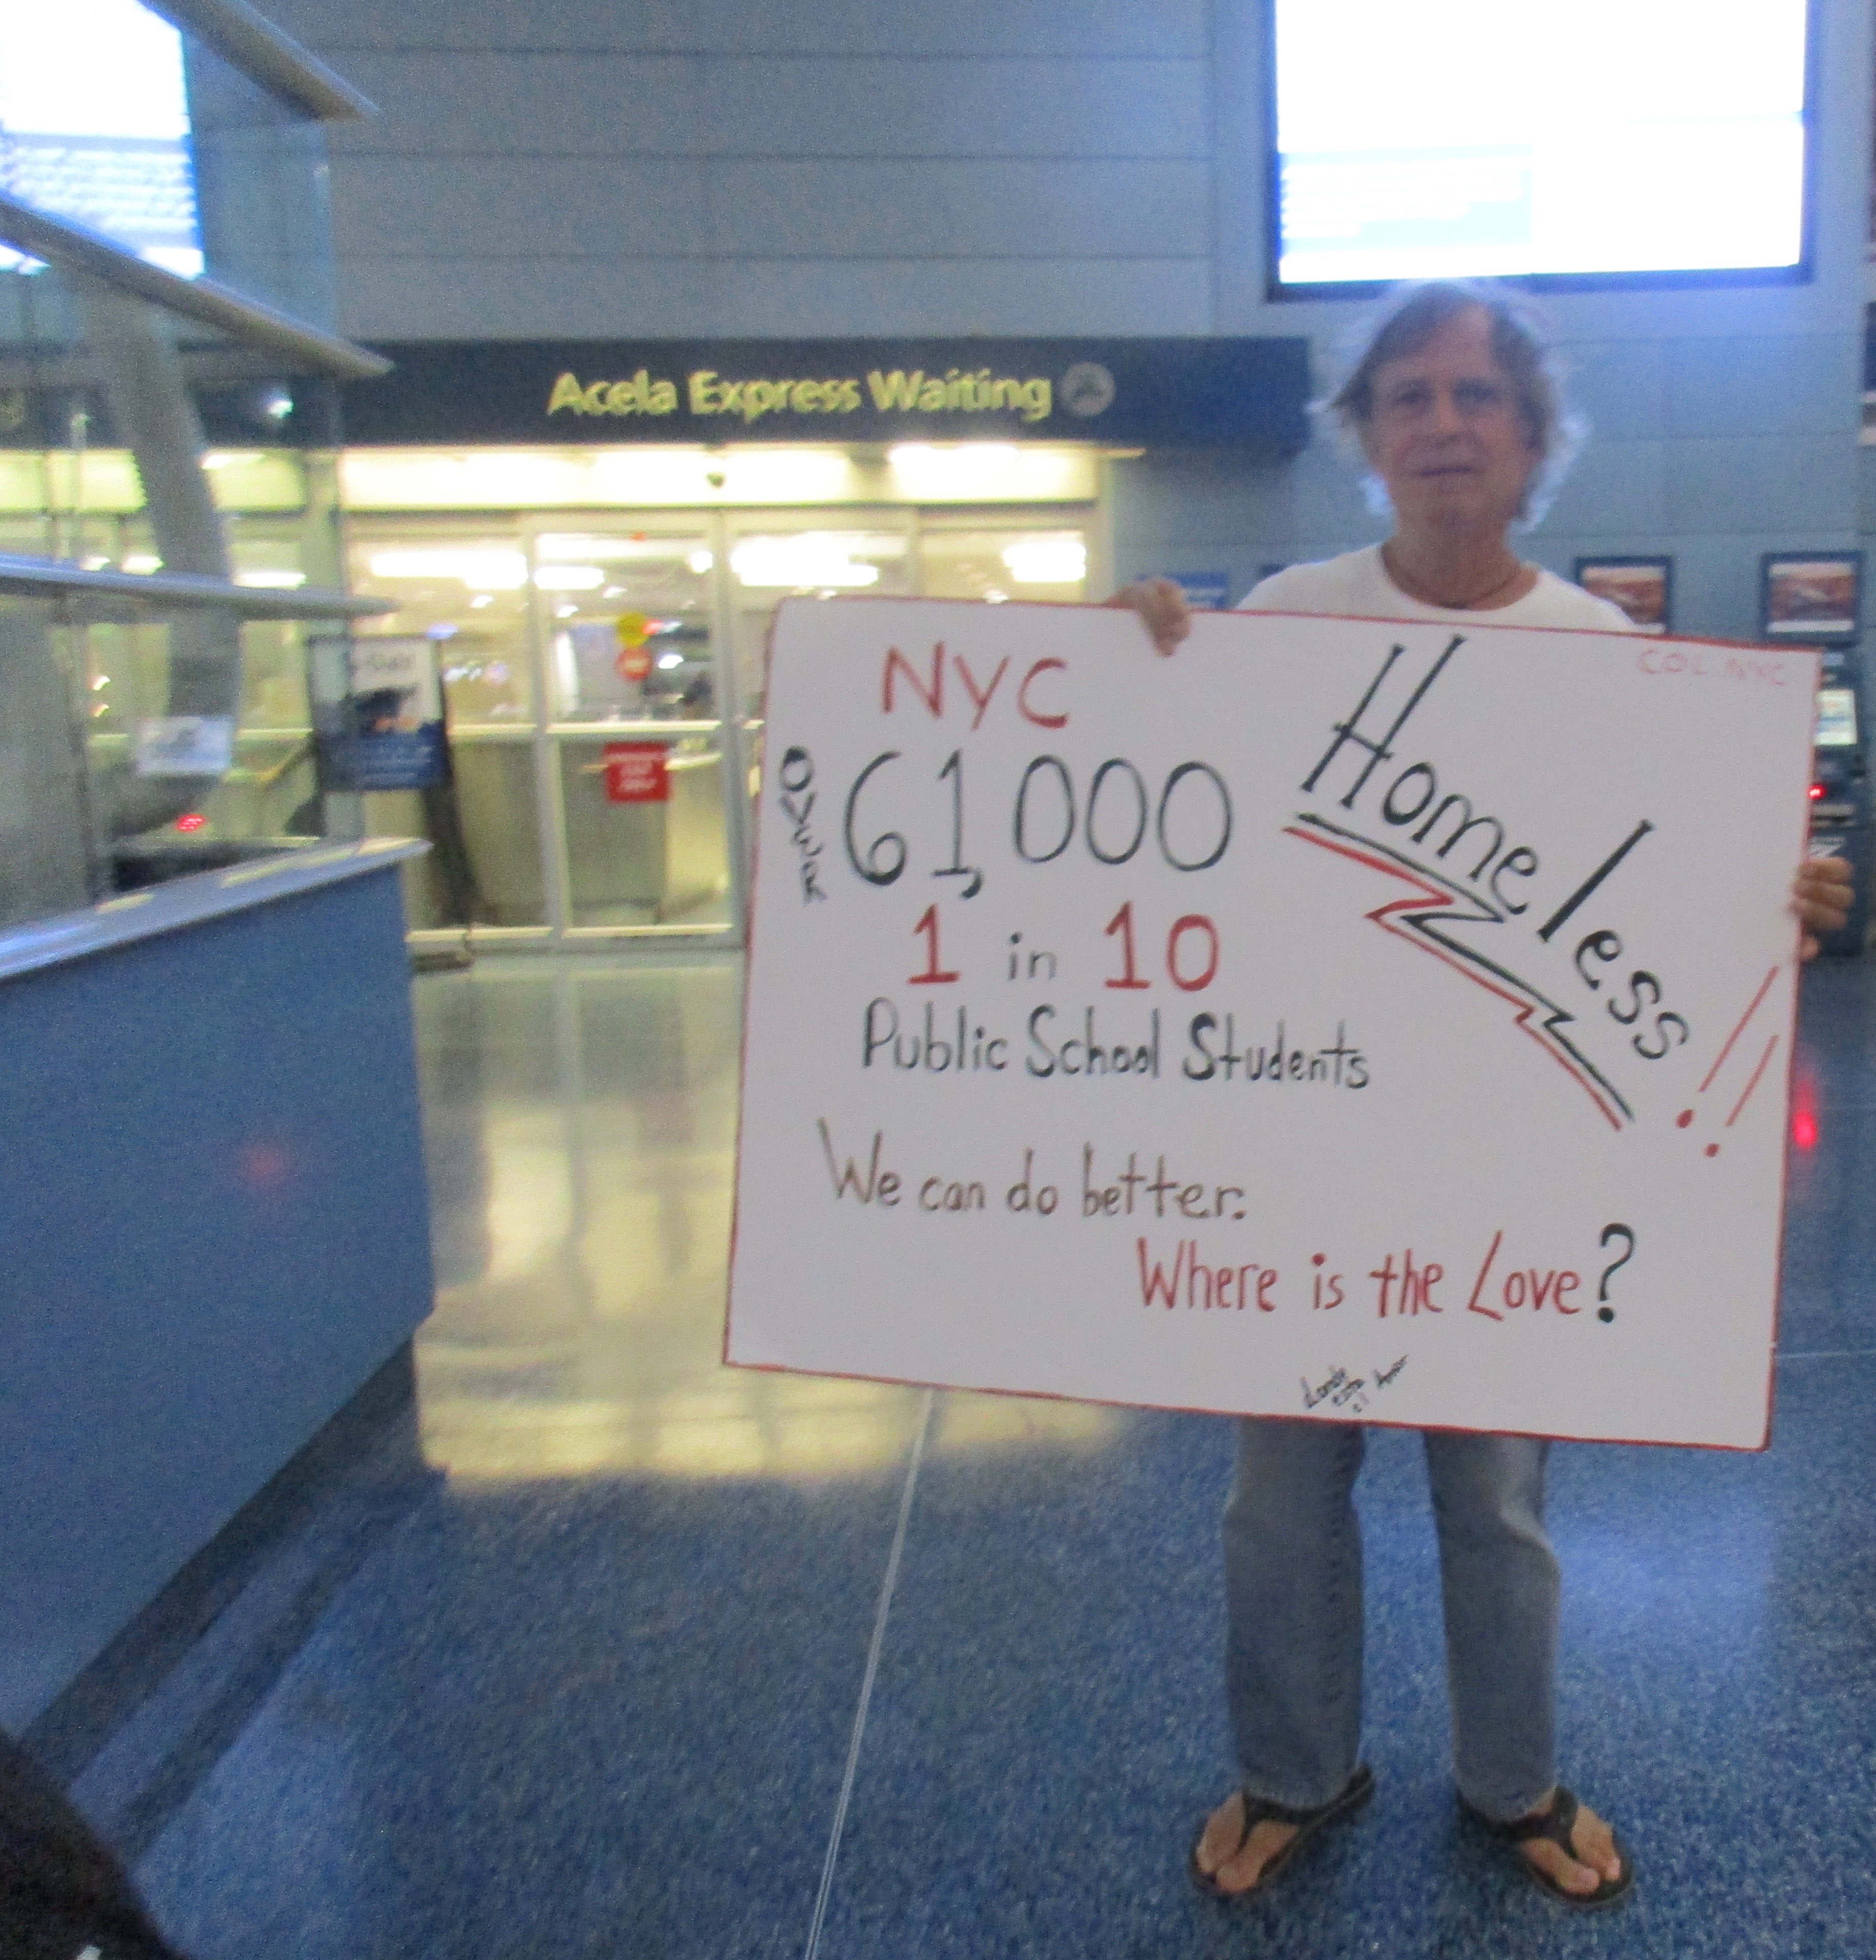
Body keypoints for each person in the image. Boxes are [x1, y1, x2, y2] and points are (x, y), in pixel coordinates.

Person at [1112, 279, 1853, 1910]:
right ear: (1366, 440)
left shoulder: (1608, 660)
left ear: (1529, 443)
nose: (1442, 423)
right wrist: (1138, 666)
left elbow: (1670, 895)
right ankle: (1294, 1772)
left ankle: (1509, 1783)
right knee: (1274, 1501)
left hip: (1507, 1172)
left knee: (1496, 1501)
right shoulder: (1283, 622)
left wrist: (1772, 899)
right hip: (1301, 1155)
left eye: (1475, 397)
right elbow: (1166, 803)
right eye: (1408, 396)